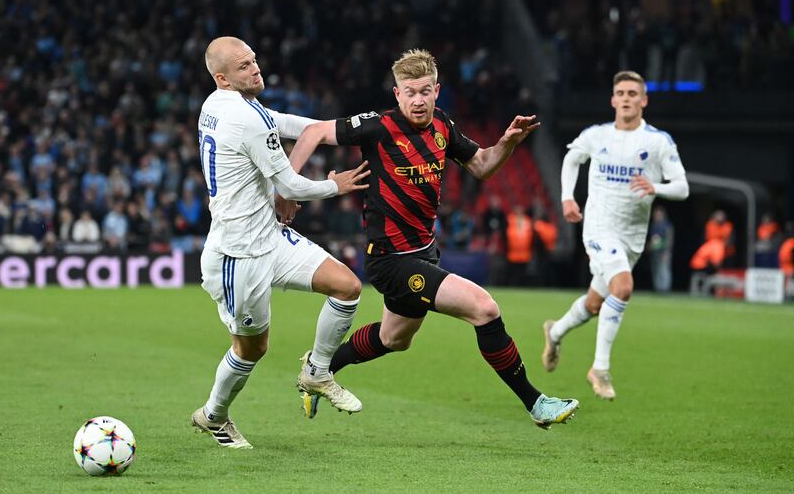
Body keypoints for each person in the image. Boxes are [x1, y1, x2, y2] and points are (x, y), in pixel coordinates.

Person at [282, 49, 579, 429]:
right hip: (391, 260)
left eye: (425, 91)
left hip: (424, 253)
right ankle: (536, 403)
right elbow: (313, 131)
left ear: (437, 91)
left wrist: (508, 141)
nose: (418, 100)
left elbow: (483, 166)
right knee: (484, 308)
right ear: (397, 94)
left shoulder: (442, 125)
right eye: (410, 92)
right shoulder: (378, 126)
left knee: (393, 339)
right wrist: (288, 188)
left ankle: (317, 369)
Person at [190, 36, 371, 449]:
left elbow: (287, 124)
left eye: (254, 59)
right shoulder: (243, 117)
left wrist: (344, 128)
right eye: (243, 66)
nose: (255, 68)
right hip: (240, 254)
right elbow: (288, 184)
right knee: (253, 349)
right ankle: (214, 416)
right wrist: (334, 184)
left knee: (346, 287)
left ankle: (318, 371)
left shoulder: (217, 105)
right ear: (223, 78)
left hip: (269, 236)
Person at [542, 70, 689, 400]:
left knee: (595, 303)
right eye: (620, 93)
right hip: (598, 227)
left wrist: (657, 187)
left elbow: (682, 187)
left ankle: (556, 332)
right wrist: (568, 197)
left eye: (632, 93)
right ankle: (600, 368)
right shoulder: (597, 135)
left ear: (644, 100)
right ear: (612, 100)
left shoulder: (657, 141)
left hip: (632, 236)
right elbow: (572, 158)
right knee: (622, 287)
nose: (626, 98)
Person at [648, 205, 674, 292]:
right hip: (655, 251)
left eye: (659, 215)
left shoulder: (667, 226)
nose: (657, 216)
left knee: (664, 270)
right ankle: (658, 288)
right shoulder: (653, 225)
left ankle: (664, 289)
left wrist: (666, 252)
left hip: (664, 251)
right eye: (656, 215)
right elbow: (652, 239)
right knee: (655, 269)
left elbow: (669, 239)